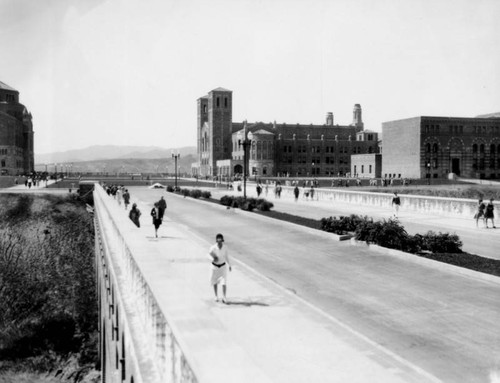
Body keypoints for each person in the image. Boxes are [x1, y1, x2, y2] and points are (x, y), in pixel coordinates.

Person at [208, 233, 232, 303]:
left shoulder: (225, 247)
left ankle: (224, 297)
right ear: (216, 241)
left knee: (224, 282)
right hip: (215, 267)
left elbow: (227, 256)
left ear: (222, 240)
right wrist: (213, 259)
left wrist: (230, 265)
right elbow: (208, 255)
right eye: (218, 241)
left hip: (223, 267)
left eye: (220, 241)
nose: (219, 242)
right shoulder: (213, 248)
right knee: (215, 281)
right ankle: (216, 296)